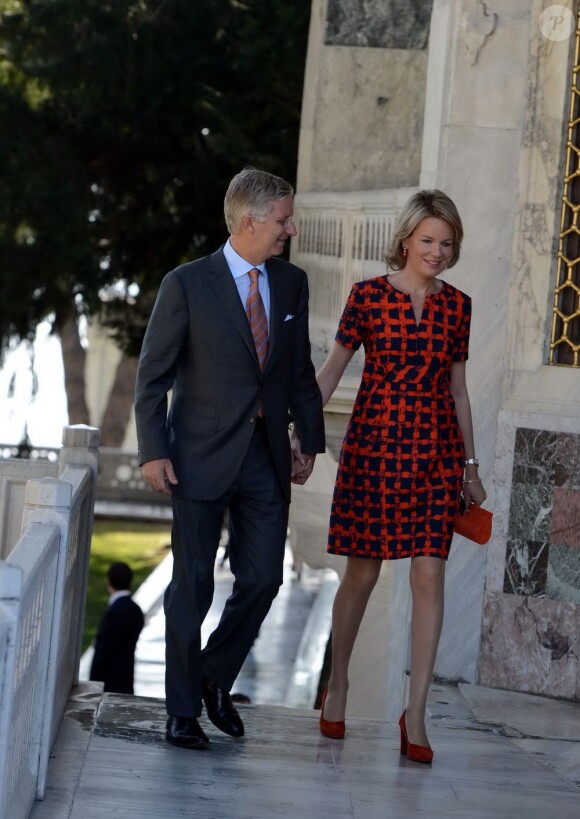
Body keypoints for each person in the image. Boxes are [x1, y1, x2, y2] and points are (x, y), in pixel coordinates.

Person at [134, 167, 325, 751]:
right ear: (250, 221)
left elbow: (295, 372)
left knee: (264, 578)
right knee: (191, 585)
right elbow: (152, 377)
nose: (289, 230)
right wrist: (152, 452)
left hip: (266, 459)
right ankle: (183, 713)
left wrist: (309, 439)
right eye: (283, 220)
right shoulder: (187, 284)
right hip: (196, 458)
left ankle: (214, 673)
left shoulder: (291, 284)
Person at [302, 189, 486, 763]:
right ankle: (339, 685)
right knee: (361, 574)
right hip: (374, 452)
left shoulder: (458, 307)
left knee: (429, 577)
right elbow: (331, 371)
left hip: (436, 458)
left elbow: (458, 391)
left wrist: (470, 467)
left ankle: (417, 712)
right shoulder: (366, 298)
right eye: (428, 240)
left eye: (446, 243)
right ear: (406, 239)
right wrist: (299, 435)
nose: (437, 251)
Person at [89, 562, 145, 695]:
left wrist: (93, 683)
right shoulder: (136, 610)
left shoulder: (113, 613)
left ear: (108, 581)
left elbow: (102, 651)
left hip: (108, 683)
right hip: (126, 677)